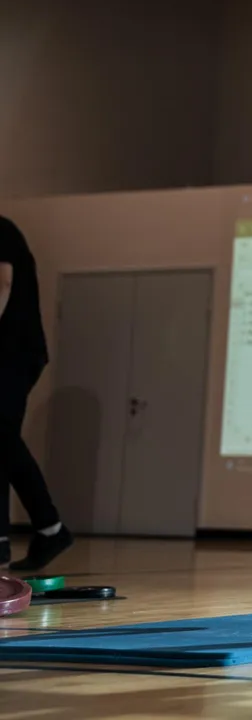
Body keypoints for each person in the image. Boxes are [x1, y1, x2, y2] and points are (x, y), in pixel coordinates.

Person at [0, 215, 73, 572]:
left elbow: (3, 281)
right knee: (2, 439)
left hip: (12, 352)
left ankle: (49, 528)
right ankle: (46, 529)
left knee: (2, 436)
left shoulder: (0, 230)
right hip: (16, 352)